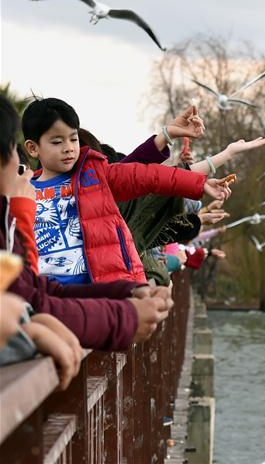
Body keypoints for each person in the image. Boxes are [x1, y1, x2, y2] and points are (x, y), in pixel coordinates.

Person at [1, 94, 170, 350]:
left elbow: (32, 292)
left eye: (73, 140)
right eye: (12, 150)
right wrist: (126, 316)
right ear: (32, 148)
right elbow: (26, 299)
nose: (19, 163)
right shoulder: (20, 205)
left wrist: (124, 292)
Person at [21, 97, 232, 285]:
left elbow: (145, 175)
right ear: (32, 148)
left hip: (95, 288)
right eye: (57, 142)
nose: (68, 147)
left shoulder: (94, 177)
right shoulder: (21, 191)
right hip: (45, 291)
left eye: (73, 139)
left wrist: (197, 182)